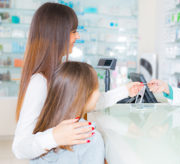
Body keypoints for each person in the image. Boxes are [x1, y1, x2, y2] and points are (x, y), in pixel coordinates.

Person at [13, 2, 143, 159]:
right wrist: (55, 136)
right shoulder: (40, 82)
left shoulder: (58, 72)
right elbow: (20, 148)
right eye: (73, 31)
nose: (78, 36)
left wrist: (125, 91)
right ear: (57, 34)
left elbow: (87, 102)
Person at [30, 62, 104, 164]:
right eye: (97, 88)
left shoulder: (42, 130)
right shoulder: (90, 138)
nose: (99, 94)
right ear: (82, 94)